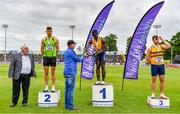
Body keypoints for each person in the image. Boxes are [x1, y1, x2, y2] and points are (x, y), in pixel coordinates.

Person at [63, 40, 83, 110]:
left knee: (67, 90)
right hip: (71, 72)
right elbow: (79, 59)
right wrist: (84, 56)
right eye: (74, 44)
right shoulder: (71, 51)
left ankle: (66, 105)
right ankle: (70, 106)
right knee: (70, 90)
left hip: (66, 72)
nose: (75, 45)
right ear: (70, 45)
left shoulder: (67, 51)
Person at [40, 26, 59, 92]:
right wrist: (44, 53)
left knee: (53, 72)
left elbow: (57, 48)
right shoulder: (43, 39)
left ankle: (53, 86)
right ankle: (46, 87)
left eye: (50, 31)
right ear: (46, 32)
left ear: (52, 31)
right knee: (46, 72)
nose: (49, 32)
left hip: (53, 57)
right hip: (46, 57)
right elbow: (41, 49)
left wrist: (54, 55)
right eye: (48, 31)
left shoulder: (55, 39)